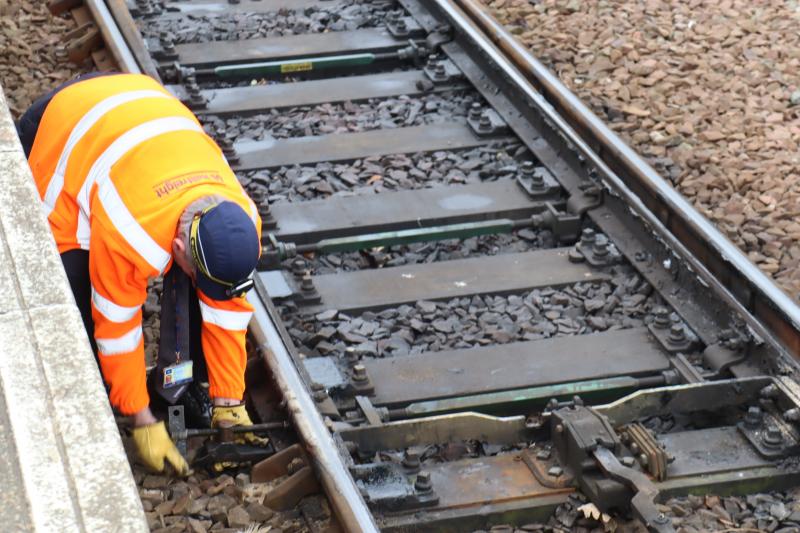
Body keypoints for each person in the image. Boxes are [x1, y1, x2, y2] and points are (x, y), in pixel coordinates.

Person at [20, 72, 266, 475]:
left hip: (136, 107)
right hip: (61, 122)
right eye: (189, 265)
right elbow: (116, 326)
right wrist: (140, 418)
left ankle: (184, 388)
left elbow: (228, 311)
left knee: (205, 289)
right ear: (179, 247)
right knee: (74, 301)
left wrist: (229, 400)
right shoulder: (130, 232)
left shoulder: (242, 220)